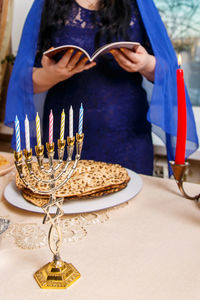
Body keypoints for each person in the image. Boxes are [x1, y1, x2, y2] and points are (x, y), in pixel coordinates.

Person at [5, 0, 198, 176]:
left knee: (132, 211)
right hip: (64, 141)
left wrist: (145, 63)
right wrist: (51, 75)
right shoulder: (46, 3)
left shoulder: (139, 3)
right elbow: (22, 83)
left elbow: (170, 74)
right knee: (66, 210)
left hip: (129, 139)